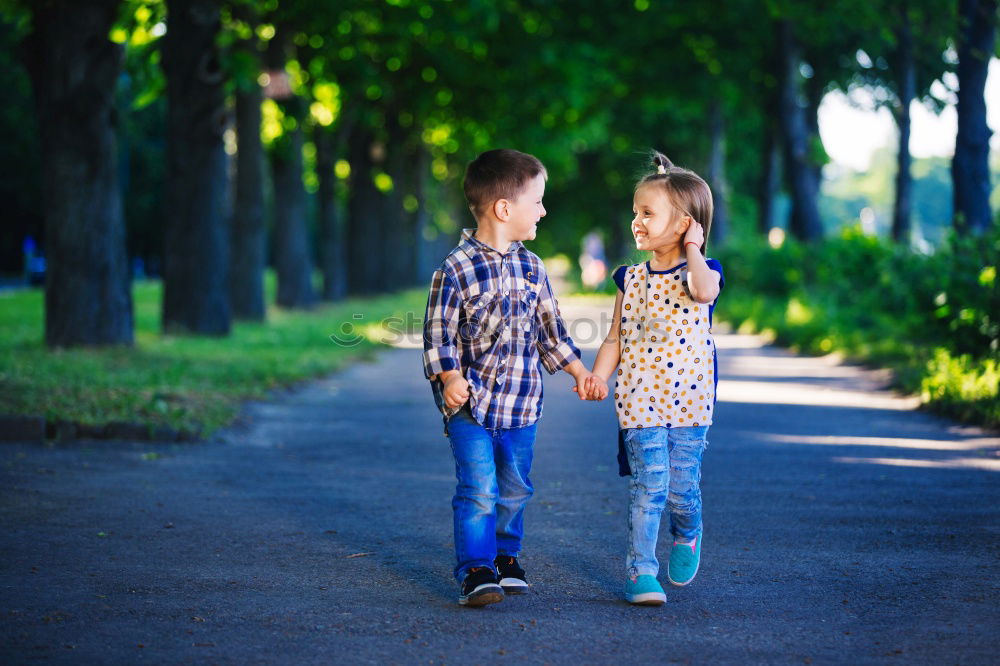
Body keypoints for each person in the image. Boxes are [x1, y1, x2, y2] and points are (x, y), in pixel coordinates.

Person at [422, 149, 597, 607]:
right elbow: (438, 333)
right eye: (537, 200)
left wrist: (580, 371)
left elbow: (551, 331)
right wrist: (450, 375)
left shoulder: (532, 268)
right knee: (479, 487)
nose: (543, 209)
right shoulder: (455, 268)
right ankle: (476, 569)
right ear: (505, 208)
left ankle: (505, 556)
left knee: (515, 488)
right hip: (471, 406)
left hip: (522, 405)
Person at [582, 151, 725, 606]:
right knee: (650, 486)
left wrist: (694, 249)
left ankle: (689, 531)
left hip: (689, 403)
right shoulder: (629, 278)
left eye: (647, 213)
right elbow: (614, 339)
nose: (637, 222)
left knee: (682, 487)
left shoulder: (703, 272)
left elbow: (703, 293)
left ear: (684, 223)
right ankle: (641, 571)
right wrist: (598, 376)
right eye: (635, 213)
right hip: (638, 400)